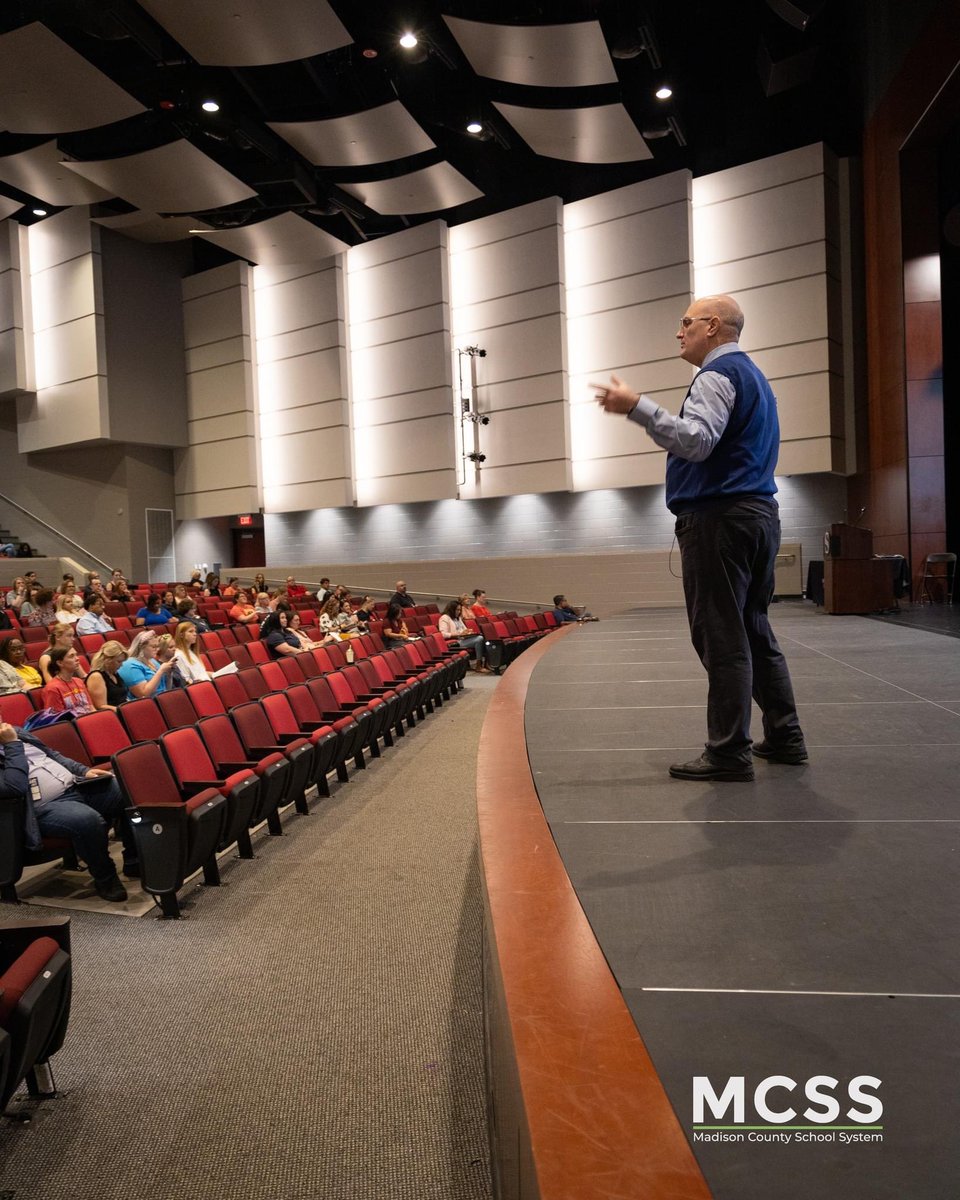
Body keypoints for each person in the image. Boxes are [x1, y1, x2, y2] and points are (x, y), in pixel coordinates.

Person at [594, 292, 806, 781]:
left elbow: (696, 441)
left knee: (722, 636)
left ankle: (729, 751)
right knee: (753, 628)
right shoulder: (756, 379)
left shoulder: (717, 375)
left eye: (685, 322)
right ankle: (786, 736)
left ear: (712, 326)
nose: (678, 331)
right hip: (757, 517)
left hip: (720, 520)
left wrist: (637, 407)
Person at [0, 721, 136, 901]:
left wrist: (84, 771)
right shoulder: (12, 738)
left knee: (127, 790)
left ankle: (134, 861)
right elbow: (14, 786)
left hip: (76, 785)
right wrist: (12, 745)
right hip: (41, 809)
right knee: (87, 820)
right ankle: (106, 878)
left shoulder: (17, 732)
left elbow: (54, 756)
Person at [117, 630, 175, 700]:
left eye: (158, 646)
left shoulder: (152, 661)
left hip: (161, 700)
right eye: (154, 647)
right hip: (145, 705)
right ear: (142, 648)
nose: (157, 649)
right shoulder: (129, 665)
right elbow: (143, 694)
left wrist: (169, 675)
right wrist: (161, 671)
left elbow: (165, 689)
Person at [43, 646, 95, 716]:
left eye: (76, 655)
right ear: (60, 663)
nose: (77, 658)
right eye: (71, 656)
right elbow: (59, 719)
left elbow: (91, 708)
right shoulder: (52, 688)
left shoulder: (79, 681)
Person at [439, 600, 488, 672]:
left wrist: (468, 631)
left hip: (463, 638)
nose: (459, 612)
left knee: (482, 637)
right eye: (457, 610)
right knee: (479, 639)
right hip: (455, 642)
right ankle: (478, 664)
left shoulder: (458, 618)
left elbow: (464, 629)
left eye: (460, 610)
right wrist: (459, 634)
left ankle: (485, 663)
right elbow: (443, 634)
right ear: (452, 609)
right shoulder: (444, 618)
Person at [86, 641, 128, 710]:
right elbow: (101, 706)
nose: (121, 665)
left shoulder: (114, 673)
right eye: (118, 661)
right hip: (112, 715)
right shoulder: (96, 676)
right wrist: (125, 711)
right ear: (107, 660)